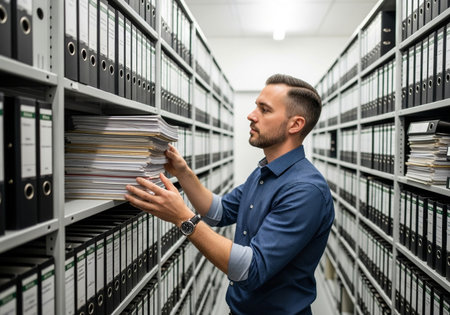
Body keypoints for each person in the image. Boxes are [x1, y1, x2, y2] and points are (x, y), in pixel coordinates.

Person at [125, 74, 335, 314]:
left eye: (264, 110)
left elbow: (250, 269)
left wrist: (183, 218)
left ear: (295, 125)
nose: (251, 115)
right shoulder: (264, 172)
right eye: (256, 106)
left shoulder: (305, 190)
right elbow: (219, 211)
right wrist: (183, 172)